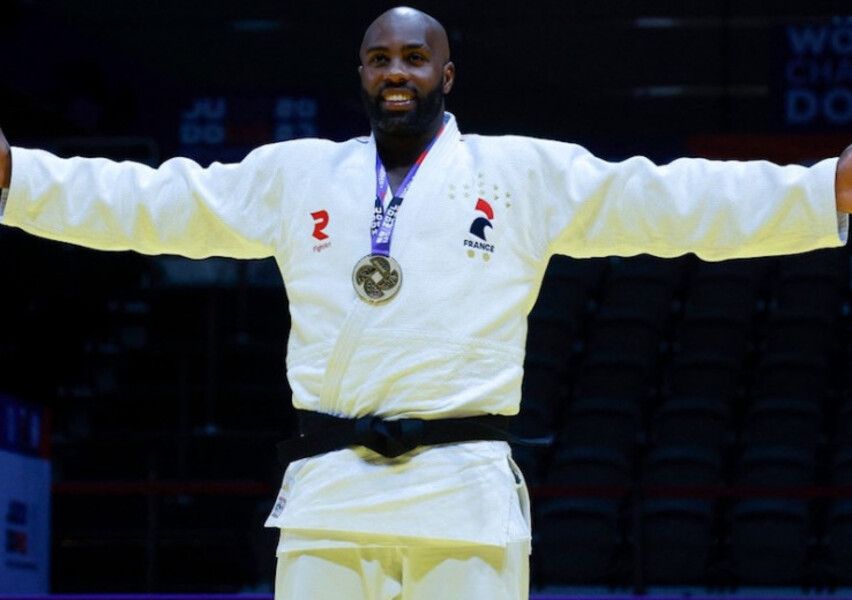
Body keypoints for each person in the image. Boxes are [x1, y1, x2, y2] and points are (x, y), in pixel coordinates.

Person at [2, 6, 852, 600]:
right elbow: (156, 202)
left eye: (414, 57)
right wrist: (20, 176)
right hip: (332, 497)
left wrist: (827, 191)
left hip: (464, 500)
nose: (396, 72)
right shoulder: (299, 175)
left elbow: (669, 202)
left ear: (448, 71)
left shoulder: (520, 174)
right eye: (380, 59)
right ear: (361, 74)